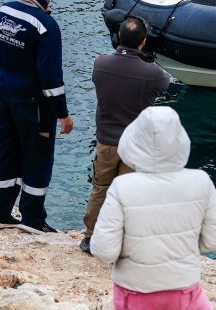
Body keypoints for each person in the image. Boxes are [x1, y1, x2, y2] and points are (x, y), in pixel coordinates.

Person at [91, 106, 216, 310]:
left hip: (135, 292)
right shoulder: (201, 181)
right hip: (185, 291)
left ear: (134, 141)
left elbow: (104, 251)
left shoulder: (122, 187)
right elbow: (215, 239)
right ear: (180, 139)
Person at [0, 0, 73, 234]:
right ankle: (32, 219)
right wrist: (63, 113)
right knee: (37, 156)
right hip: (32, 102)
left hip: (2, 94)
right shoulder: (46, 25)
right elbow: (50, 76)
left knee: (5, 150)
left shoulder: (3, 12)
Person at [81, 16, 170, 254]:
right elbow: (165, 84)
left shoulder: (100, 64)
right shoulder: (153, 73)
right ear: (143, 41)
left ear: (118, 37)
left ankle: (91, 236)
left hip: (106, 141)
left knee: (100, 187)